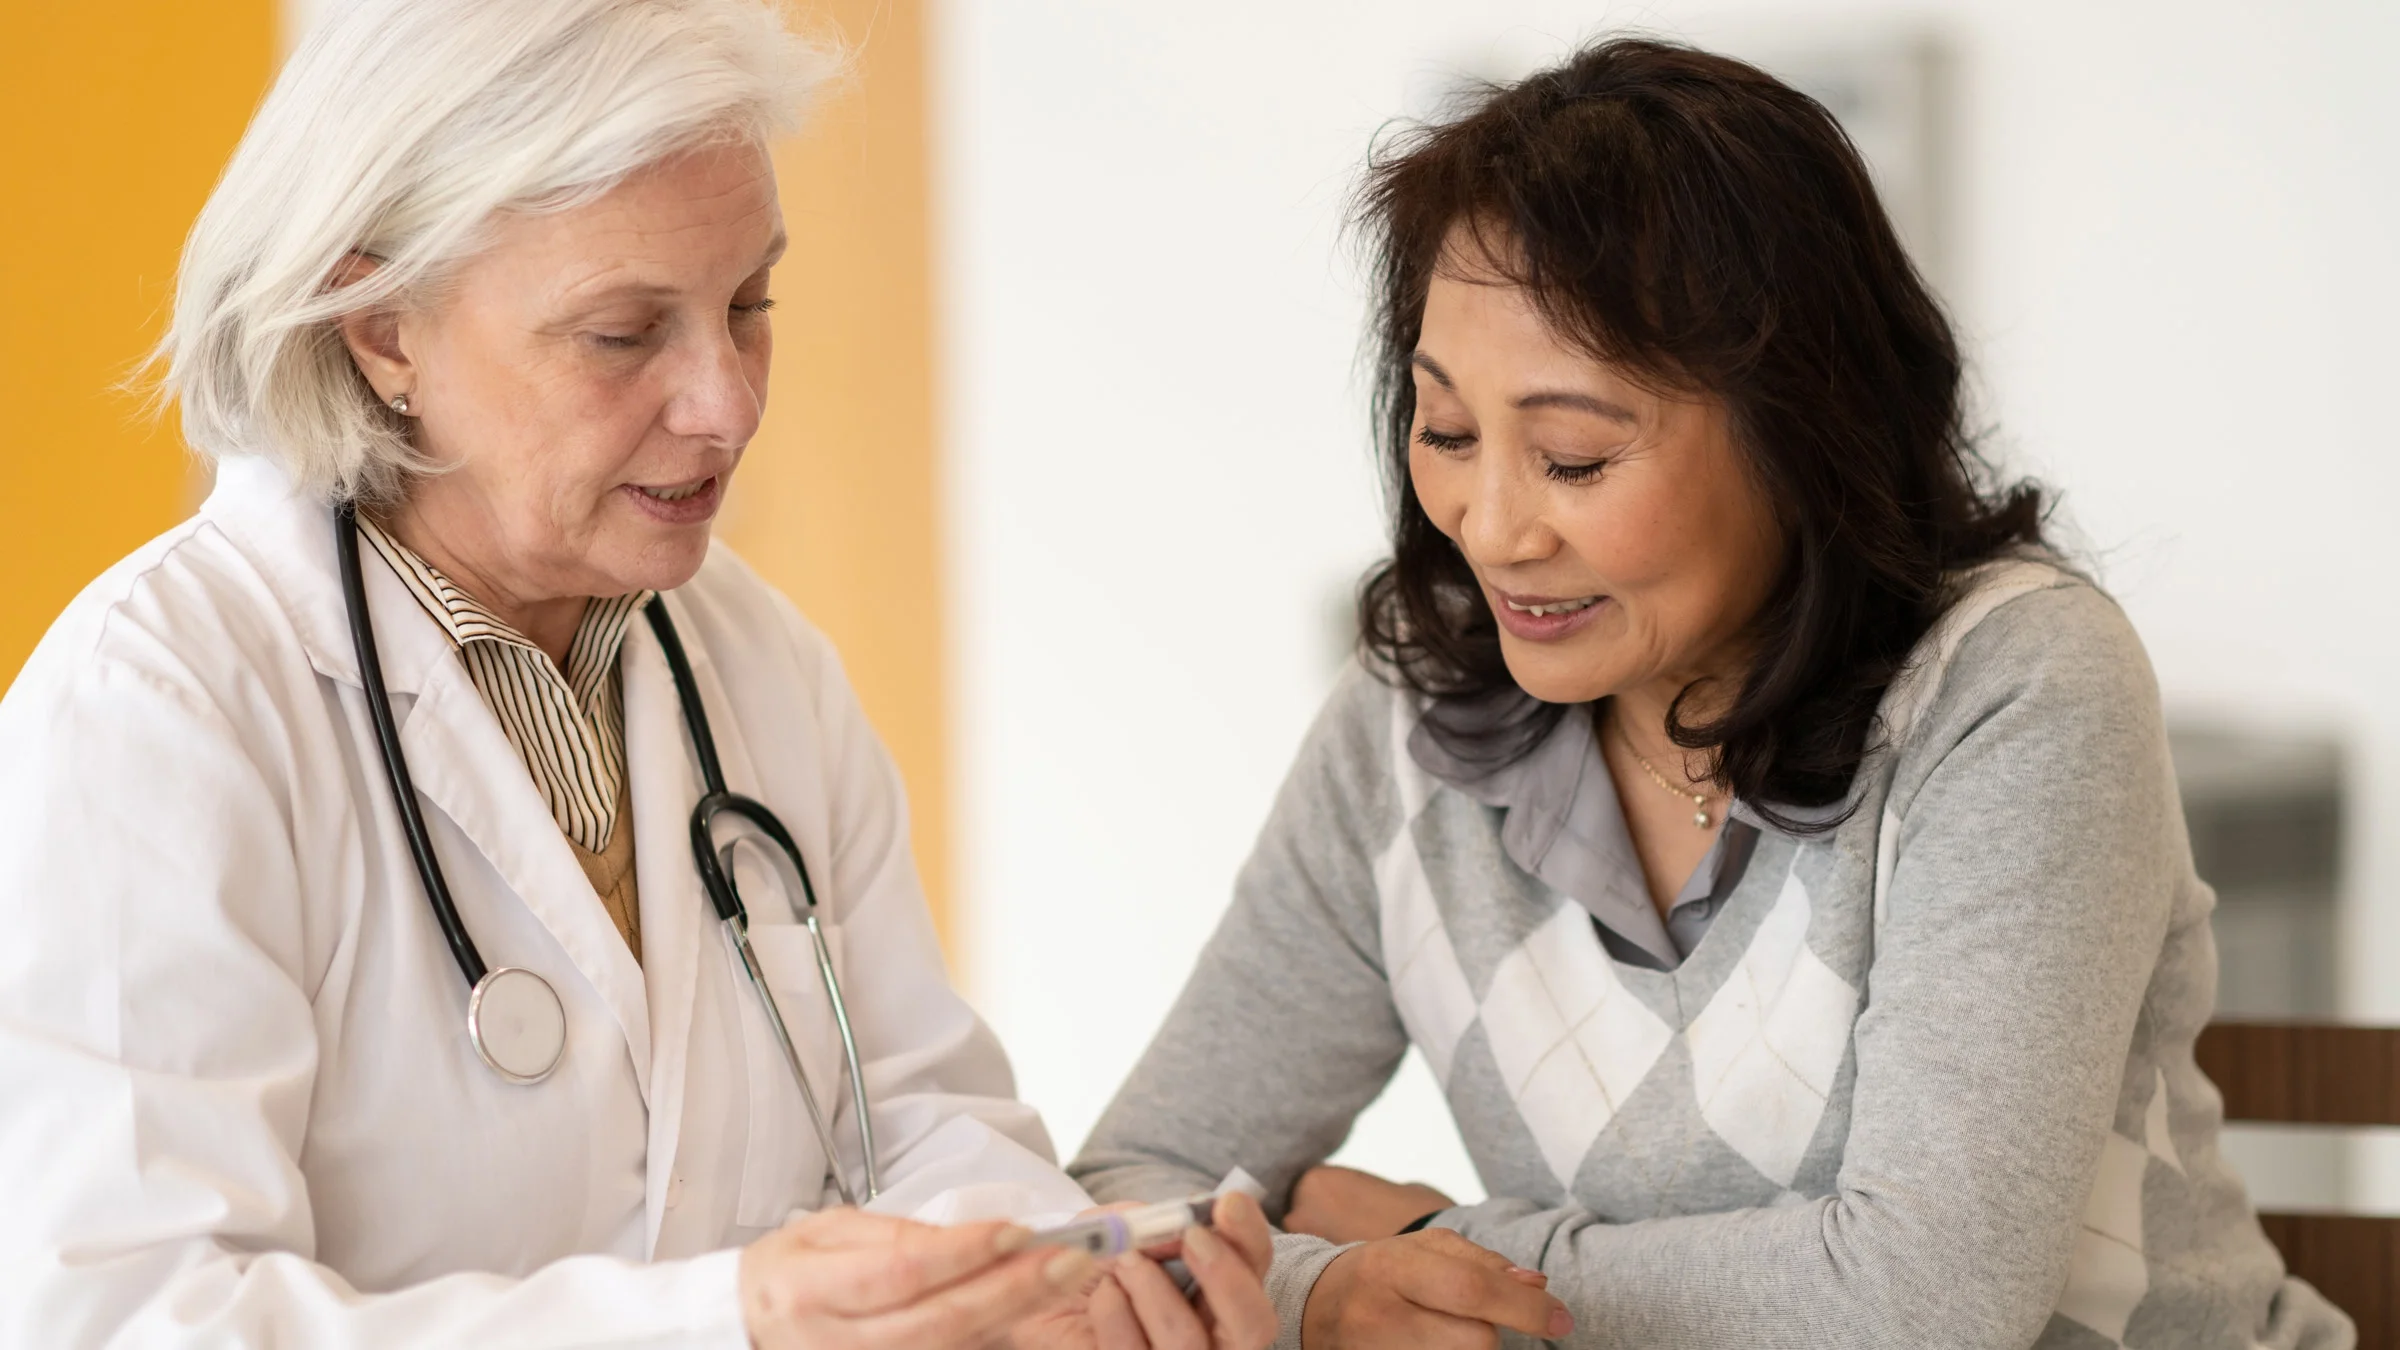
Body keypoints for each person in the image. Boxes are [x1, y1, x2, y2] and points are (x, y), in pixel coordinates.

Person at [0, 2, 1277, 1347]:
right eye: (624, 332)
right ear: (382, 327)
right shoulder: (158, 712)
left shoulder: (753, 662)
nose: (724, 400)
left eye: (750, 304)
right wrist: (729, 1321)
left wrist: (1054, 1287)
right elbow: (128, 1313)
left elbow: (925, 1125)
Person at [1070, 38, 2354, 1350]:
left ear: (1800, 428)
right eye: (1447, 431)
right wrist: (1316, 1288)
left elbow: (1926, 1299)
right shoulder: (1404, 729)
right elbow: (1124, 1194)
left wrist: (1437, 1243)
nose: (1493, 525)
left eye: (1573, 455)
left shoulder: (2016, 686)